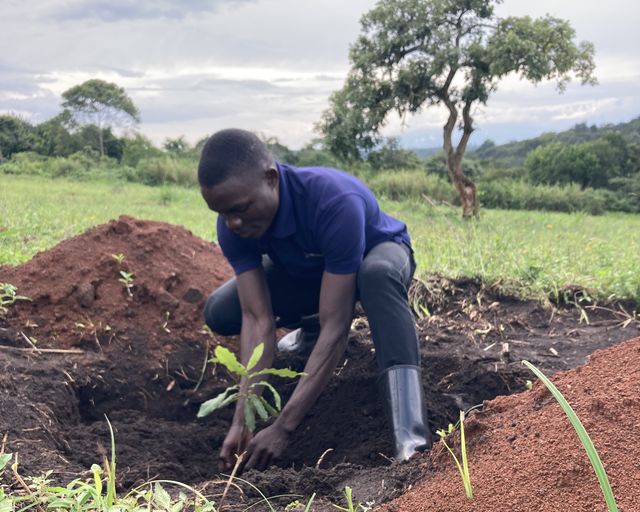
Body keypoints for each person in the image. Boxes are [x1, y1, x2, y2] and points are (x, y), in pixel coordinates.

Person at [198, 128, 431, 472]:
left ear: (271, 179)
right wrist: (242, 420)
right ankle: (306, 333)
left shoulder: (333, 200)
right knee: (221, 309)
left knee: (375, 275)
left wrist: (283, 426)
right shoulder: (233, 224)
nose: (233, 222)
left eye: (240, 209)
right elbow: (256, 318)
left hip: (377, 253)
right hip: (313, 270)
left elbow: (336, 326)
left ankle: (411, 434)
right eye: (222, 213)